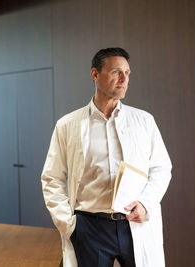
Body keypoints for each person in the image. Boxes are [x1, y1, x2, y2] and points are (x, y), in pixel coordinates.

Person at [41, 47, 172, 267]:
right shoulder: (67, 125)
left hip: (134, 224)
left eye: (127, 73)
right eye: (115, 72)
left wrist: (146, 204)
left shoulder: (144, 121)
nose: (123, 79)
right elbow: (51, 178)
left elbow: (161, 168)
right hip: (89, 227)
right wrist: (69, 226)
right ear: (95, 74)